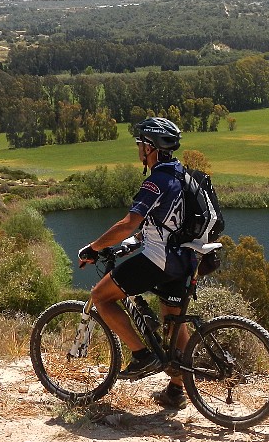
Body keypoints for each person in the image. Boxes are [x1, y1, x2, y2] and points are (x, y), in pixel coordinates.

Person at [77, 117, 192, 410]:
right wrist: (133, 244)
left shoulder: (156, 181)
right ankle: (177, 391)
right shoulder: (182, 174)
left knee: (100, 297)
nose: (138, 148)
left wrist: (94, 247)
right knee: (173, 322)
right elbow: (165, 222)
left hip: (159, 260)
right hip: (185, 259)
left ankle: (141, 355)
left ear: (150, 148)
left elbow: (129, 222)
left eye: (140, 143)